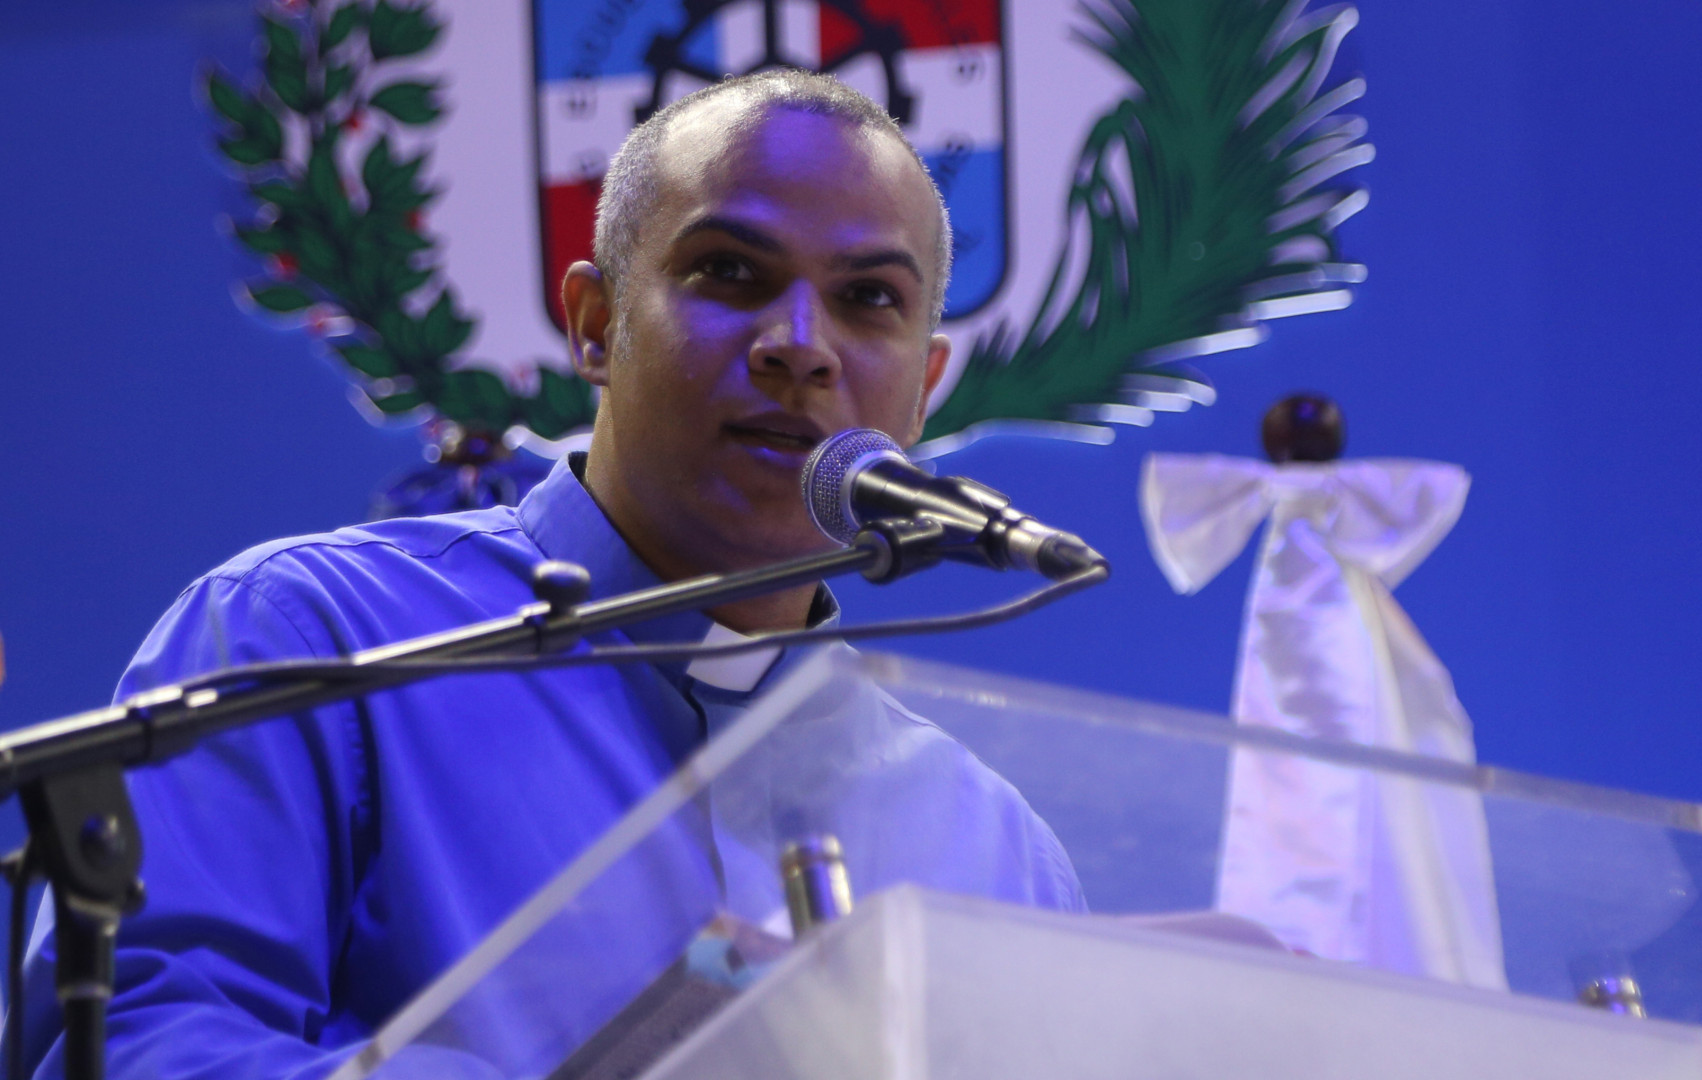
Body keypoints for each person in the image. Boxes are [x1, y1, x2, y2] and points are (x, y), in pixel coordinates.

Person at [7, 70, 1083, 1080]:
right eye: (730, 272)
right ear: (596, 325)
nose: (800, 345)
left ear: (924, 387)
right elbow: (136, 1043)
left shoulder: (996, 851)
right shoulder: (312, 641)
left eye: (869, 298)